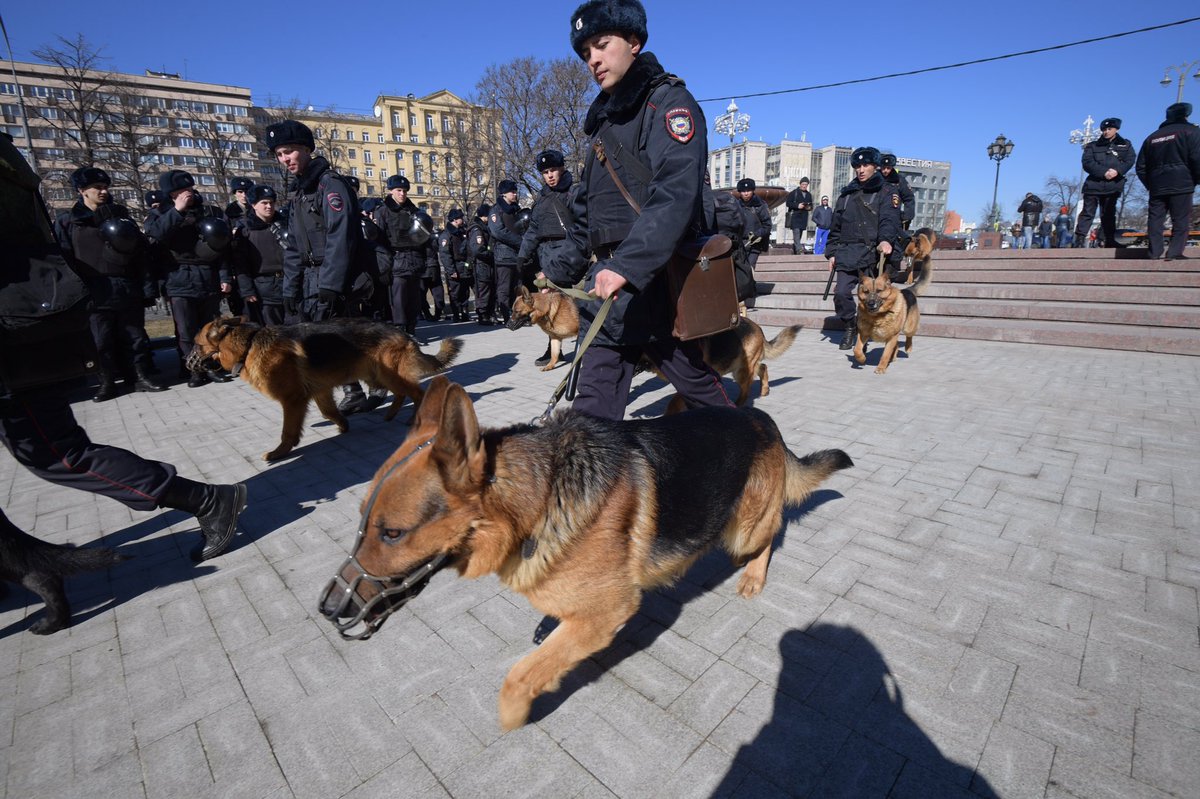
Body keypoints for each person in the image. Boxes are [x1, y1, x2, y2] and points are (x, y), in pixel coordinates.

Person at [0, 132, 247, 564]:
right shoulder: (68, 213)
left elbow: (147, 250)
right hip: (34, 317)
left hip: (17, 331)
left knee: (57, 453)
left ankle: (205, 499)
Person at [539, 0, 733, 420]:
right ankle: (590, 466)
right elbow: (586, 213)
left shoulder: (668, 103)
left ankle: (756, 450)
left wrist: (627, 266)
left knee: (704, 395)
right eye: (585, 52)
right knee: (591, 416)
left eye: (601, 45)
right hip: (608, 292)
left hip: (658, 285)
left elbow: (675, 195)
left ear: (633, 42)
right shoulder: (603, 124)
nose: (592, 59)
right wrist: (557, 270)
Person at [54, 166, 167, 401]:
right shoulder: (69, 221)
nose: (103, 191)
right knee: (100, 341)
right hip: (93, 291)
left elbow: (141, 254)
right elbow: (63, 259)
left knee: (135, 337)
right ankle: (106, 382)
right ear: (82, 190)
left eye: (105, 187)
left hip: (125, 288)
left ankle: (139, 377)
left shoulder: (121, 217)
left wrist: (147, 288)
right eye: (97, 187)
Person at [143, 169, 233, 387]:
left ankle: (212, 366)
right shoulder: (160, 214)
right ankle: (194, 369)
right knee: (186, 330)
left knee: (210, 328)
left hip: (207, 276)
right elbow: (155, 235)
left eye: (190, 188)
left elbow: (221, 247)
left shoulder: (207, 211)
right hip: (178, 278)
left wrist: (224, 276)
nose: (188, 193)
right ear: (171, 194)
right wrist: (177, 211)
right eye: (182, 190)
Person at [824, 146, 901, 350]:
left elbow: (889, 220)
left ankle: (862, 335)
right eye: (857, 166)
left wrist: (885, 240)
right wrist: (831, 253)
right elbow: (836, 227)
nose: (861, 169)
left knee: (871, 298)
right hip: (847, 252)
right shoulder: (846, 195)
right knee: (841, 294)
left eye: (865, 165)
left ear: (875, 166)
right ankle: (851, 325)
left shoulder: (887, 191)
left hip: (872, 253)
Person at [1136, 102, 1200, 261]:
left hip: (1157, 185)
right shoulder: (1192, 131)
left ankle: (1154, 252)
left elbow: (1141, 166)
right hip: (1182, 182)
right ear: (1186, 115)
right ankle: (1174, 252)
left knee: (1155, 219)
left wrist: (1150, 184)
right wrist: (1196, 179)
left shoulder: (1152, 137)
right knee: (1180, 220)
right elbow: (1197, 158)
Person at [373, 175, 430, 335]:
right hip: (396, 261)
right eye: (399, 190)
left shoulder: (414, 211)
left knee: (414, 299)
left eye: (404, 191)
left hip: (415, 260)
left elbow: (424, 238)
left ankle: (411, 330)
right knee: (398, 299)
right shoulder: (383, 212)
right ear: (391, 191)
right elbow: (379, 241)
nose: (402, 194)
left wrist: (425, 260)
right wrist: (384, 265)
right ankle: (400, 330)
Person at [231, 185, 288, 326]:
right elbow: (241, 263)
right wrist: (247, 290)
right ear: (254, 205)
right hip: (264, 288)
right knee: (272, 331)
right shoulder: (245, 230)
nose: (269, 206)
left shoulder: (285, 224)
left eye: (271, 202)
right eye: (264, 203)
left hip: (289, 284)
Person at [1074, 117, 1136, 248]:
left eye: (1109, 129)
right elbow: (1087, 163)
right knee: (1087, 212)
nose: (1106, 132)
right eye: (1104, 129)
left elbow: (1130, 160)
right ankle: (1079, 240)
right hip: (1093, 185)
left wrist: (1117, 171)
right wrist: (1104, 172)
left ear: (1116, 129)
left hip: (1113, 185)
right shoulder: (1093, 145)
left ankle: (1109, 239)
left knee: (1108, 214)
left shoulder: (1125, 145)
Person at [488, 179, 524, 326]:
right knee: (504, 288)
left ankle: (519, 315)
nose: (515, 194)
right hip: (504, 256)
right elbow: (498, 231)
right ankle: (506, 316)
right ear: (504, 194)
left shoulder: (516, 209)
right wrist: (519, 241)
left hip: (518, 255)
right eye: (512, 192)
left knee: (518, 287)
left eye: (515, 191)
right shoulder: (496, 210)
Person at [735, 177, 771, 302]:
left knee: (750, 266)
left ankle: (749, 291)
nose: (746, 193)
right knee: (742, 268)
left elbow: (767, 225)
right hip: (741, 243)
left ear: (753, 191)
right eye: (743, 191)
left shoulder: (760, 205)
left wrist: (757, 234)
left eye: (748, 191)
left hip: (756, 243)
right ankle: (747, 289)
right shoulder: (735, 205)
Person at [438, 209, 471, 322]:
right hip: (454, 267)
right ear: (455, 220)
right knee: (455, 293)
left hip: (464, 267)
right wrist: (451, 270)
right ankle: (456, 314)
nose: (463, 219)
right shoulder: (446, 235)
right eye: (461, 218)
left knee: (465, 291)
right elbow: (445, 254)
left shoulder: (462, 233)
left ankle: (465, 313)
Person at [467, 203, 496, 324]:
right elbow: (478, 249)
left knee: (490, 290)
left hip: (487, 265)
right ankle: (483, 315)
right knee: (483, 290)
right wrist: (491, 255)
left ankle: (489, 314)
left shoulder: (484, 228)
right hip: (481, 265)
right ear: (484, 216)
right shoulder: (477, 229)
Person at [785, 177, 812, 254]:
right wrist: (797, 205)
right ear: (800, 184)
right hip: (795, 217)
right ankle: (799, 250)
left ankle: (796, 251)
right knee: (796, 233)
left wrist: (809, 207)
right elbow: (788, 203)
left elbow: (811, 205)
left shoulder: (809, 194)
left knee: (799, 235)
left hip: (803, 218)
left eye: (806, 184)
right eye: (803, 184)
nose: (804, 186)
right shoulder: (794, 193)